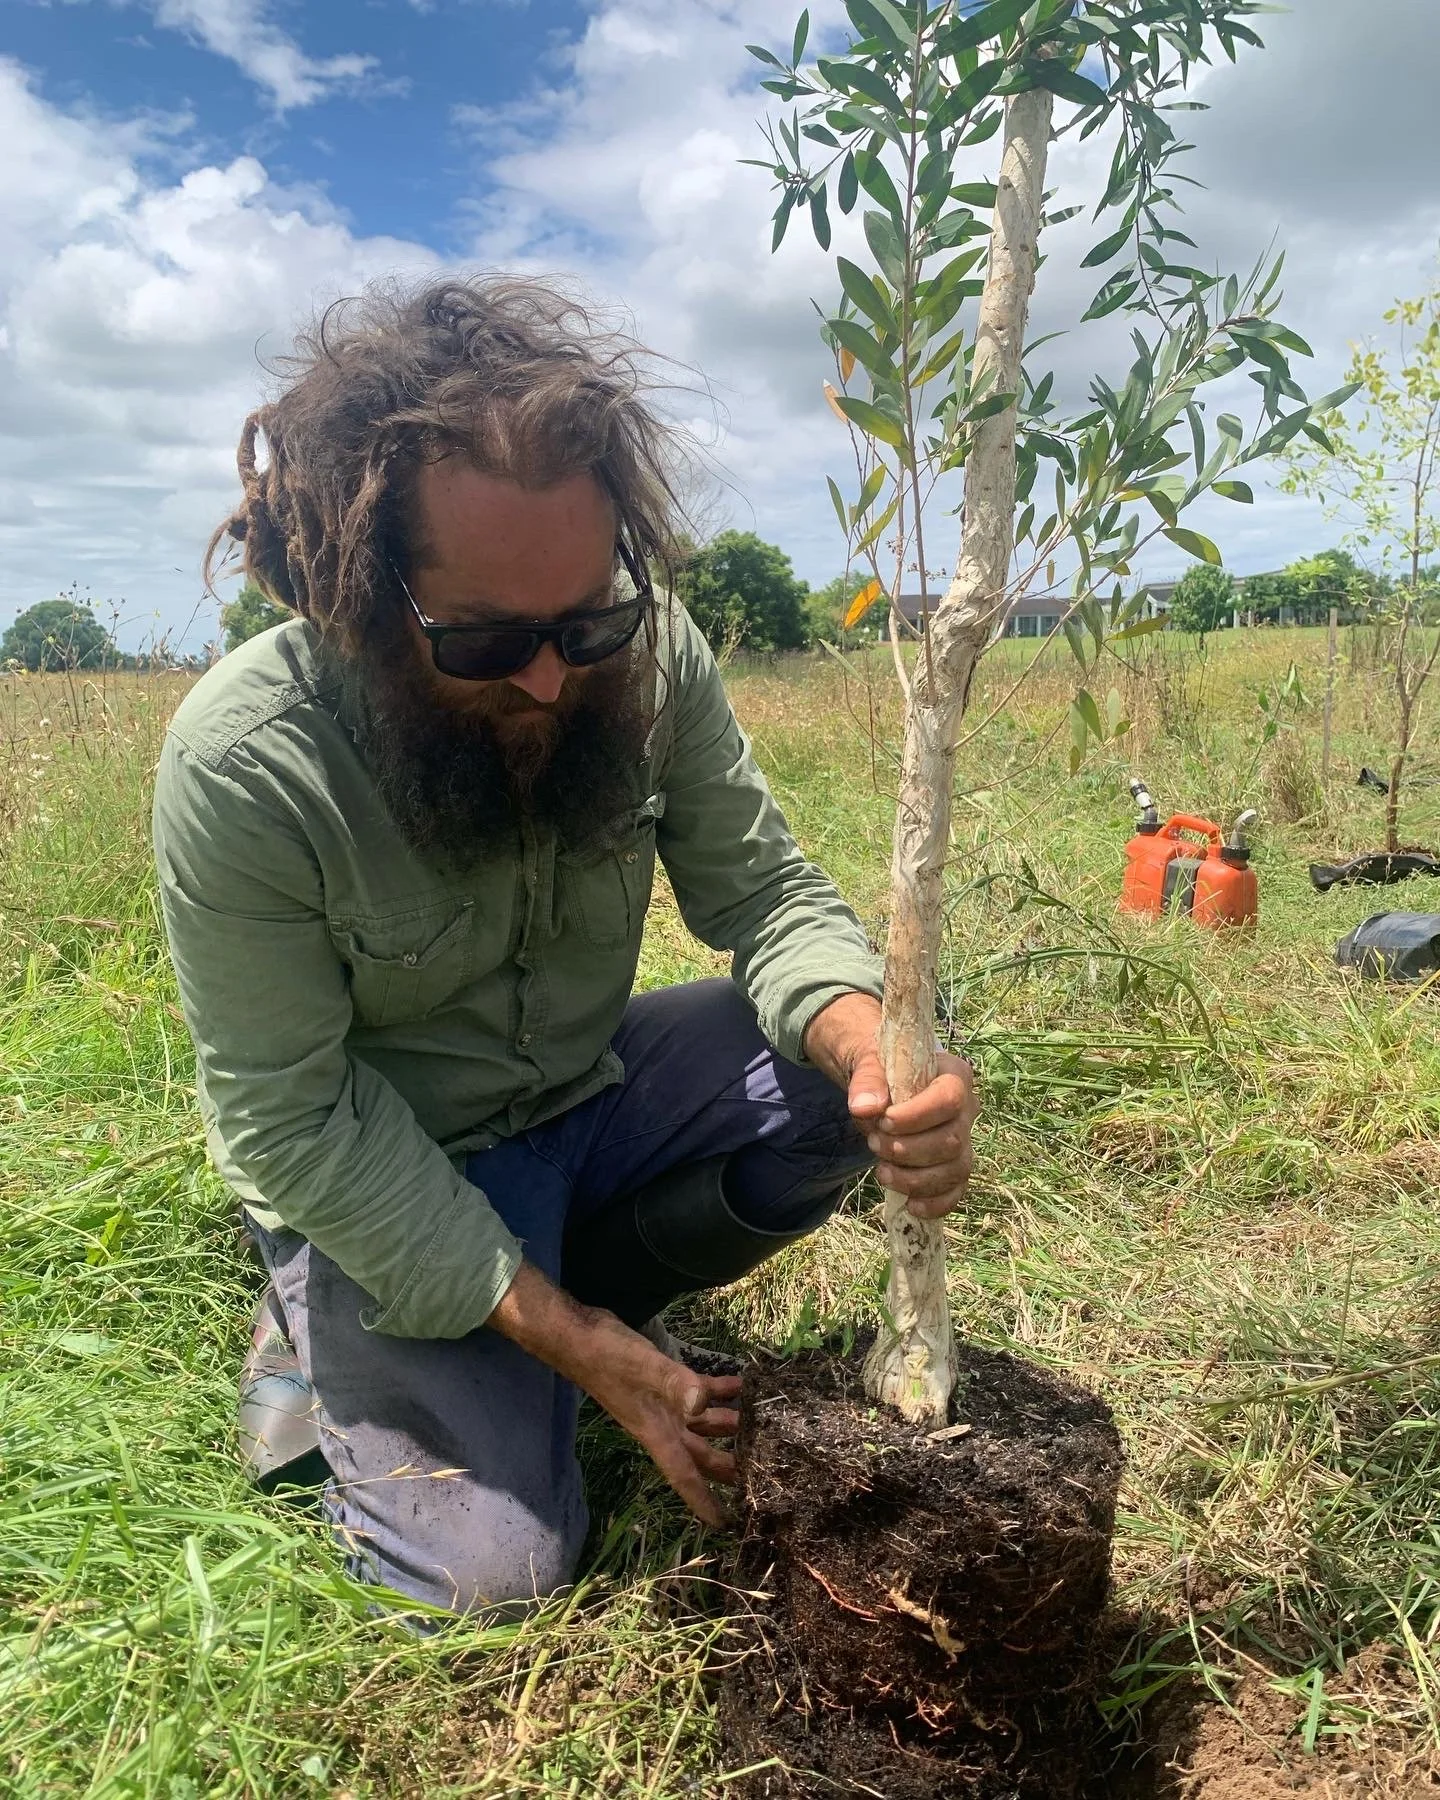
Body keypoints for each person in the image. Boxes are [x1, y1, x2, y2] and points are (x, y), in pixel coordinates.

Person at [152, 275, 978, 1616]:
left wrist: (873, 1054)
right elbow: (292, 1118)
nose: (551, 677)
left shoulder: (645, 661)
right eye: (485, 640)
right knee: (493, 1580)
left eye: (588, 619)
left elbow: (765, 896)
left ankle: (539, 1303)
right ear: (356, 599)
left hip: (586, 1097)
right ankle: (323, 1321)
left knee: (852, 1065)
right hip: (390, 1166)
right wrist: (589, 1349)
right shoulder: (250, 765)